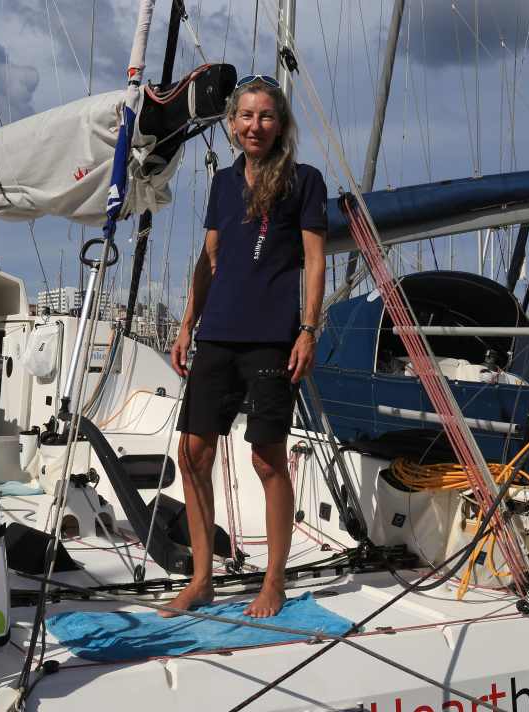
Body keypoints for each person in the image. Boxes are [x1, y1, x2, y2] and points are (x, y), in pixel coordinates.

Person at [162, 75, 327, 619]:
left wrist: (308, 329)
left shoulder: (304, 181)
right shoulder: (223, 184)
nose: (255, 125)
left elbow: (316, 260)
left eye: (266, 116)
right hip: (216, 334)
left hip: (271, 339)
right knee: (192, 453)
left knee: (266, 458)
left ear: (280, 125)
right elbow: (209, 259)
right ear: (232, 125)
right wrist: (187, 323)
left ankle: (274, 579)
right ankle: (203, 577)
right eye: (246, 116)